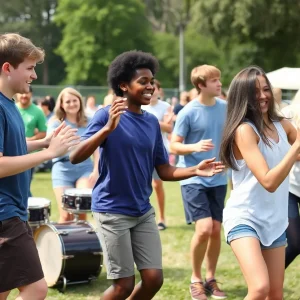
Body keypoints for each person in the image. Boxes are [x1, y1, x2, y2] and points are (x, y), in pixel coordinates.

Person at [69, 50, 225, 300]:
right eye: (143, 81)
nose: (150, 86)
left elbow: (164, 170)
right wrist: (108, 129)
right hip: (112, 210)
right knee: (123, 285)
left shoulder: (151, 122)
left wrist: (194, 169)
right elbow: (75, 155)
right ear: (123, 85)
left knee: (153, 279)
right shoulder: (105, 115)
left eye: (151, 81)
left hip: (142, 210)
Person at [0, 33, 80, 300]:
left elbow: (12, 145)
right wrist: (50, 153)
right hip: (5, 213)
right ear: (7, 68)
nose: (34, 76)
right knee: (35, 288)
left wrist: (43, 142)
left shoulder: (8, 103)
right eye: (30, 68)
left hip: (11, 210)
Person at [220, 65, 300, 299]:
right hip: (246, 217)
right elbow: (268, 181)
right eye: (255, 92)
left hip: (274, 219)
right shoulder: (245, 131)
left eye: (266, 89)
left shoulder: (283, 125)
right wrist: (295, 148)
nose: (263, 96)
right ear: (243, 96)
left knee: (275, 294)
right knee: (259, 288)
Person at [170, 64, 227, 300]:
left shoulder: (226, 107)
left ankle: (210, 279)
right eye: (214, 81)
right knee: (204, 228)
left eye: (219, 80)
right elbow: (174, 144)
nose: (219, 84)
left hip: (219, 177)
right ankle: (196, 279)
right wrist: (194, 146)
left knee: (215, 230)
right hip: (193, 177)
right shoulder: (188, 112)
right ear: (201, 85)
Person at [47, 87, 99, 223]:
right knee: (66, 215)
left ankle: (83, 244)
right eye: (68, 101)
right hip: (62, 169)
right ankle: (62, 244)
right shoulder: (55, 123)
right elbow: (51, 146)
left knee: (81, 211)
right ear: (62, 105)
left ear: (80, 101)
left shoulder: (90, 120)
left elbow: (96, 147)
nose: (72, 104)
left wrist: (96, 169)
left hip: (85, 168)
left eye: (74, 100)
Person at [142, 79, 173, 230]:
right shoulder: (140, 105)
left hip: (159, 150)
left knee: (157, 184)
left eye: (155, 88)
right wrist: (159, 123)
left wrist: (150, 121)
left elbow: (169, 128)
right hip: (141, 151)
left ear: (159, 91)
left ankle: (161, 217)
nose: (152, 91)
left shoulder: (166, 107)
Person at [16, 86, 47, 196]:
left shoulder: (38, 112)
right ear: (17, 94)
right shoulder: (12, 108)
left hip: (29, 154)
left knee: (24, 186)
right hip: (12, 154)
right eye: (22, 93)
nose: (24, 95)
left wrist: (29, 140)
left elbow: (43, 133)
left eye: (27, 93)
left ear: (31, 95)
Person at [281, 103, 300, 268]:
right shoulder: (289, 113)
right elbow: (282, 149)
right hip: (290, 187)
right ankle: (270, 278)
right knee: (295, 244)